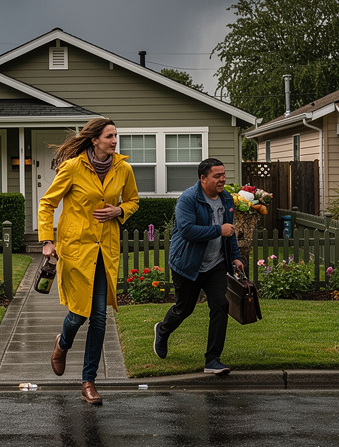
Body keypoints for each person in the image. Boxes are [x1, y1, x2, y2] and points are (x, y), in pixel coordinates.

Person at [39, 117, 140, 405]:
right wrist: (47, 241)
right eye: (109, 136)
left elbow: (133, 201)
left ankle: (88, 381)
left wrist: (118, 211)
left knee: (99, 318)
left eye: (116, 136)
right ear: (94, 140)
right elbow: (47, 203)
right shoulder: (72, 168)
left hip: (105, 251)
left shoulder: (124, 169)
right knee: (79, 314)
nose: (115, 140)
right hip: (76, 251)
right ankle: (63, 343)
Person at [153, 158, 244, 374]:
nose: (222, 180)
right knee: (185, 308)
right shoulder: (188, 199)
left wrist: (235, 256)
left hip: (216, 264)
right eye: (217, 176)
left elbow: (229, 231)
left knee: (220, 305)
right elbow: (187, 231)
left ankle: (213, 360)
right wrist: (217, 230)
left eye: (223, 175)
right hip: (188, 263)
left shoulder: (226, 199)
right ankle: (163, 330)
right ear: (203, 178)